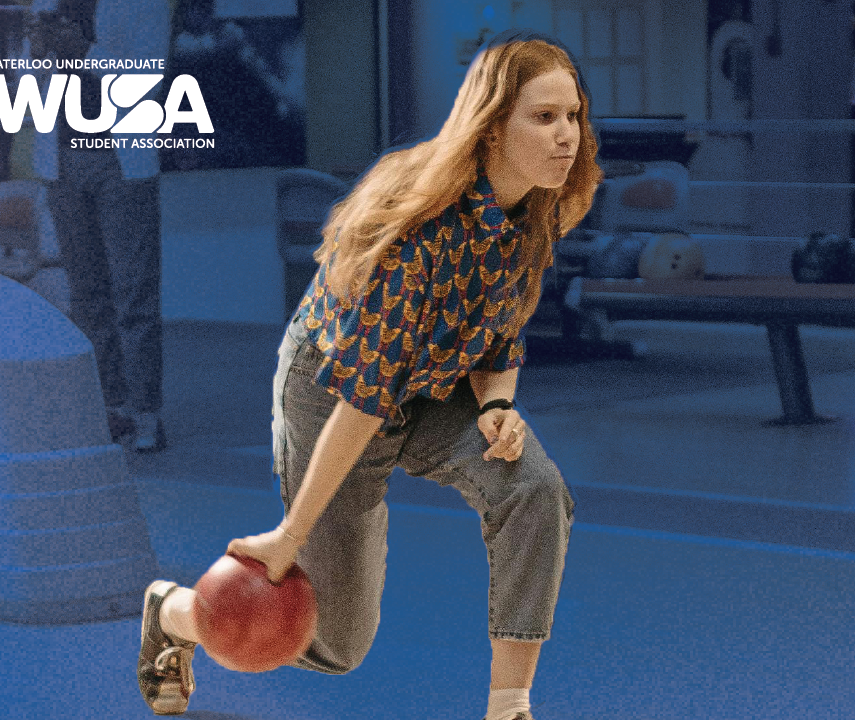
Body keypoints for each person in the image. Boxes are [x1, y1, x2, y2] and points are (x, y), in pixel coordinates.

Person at [136, 33, 601, 720]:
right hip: (333, 389)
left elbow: (500, 335)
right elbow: (363, 400)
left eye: (574, 116)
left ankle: (510, 708)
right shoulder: (420, 229)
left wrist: (497, 407)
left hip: (431, 388)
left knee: (534, 488)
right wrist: (289, 537)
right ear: (494, 128)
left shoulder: (536, 208)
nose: (567, 135)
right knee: (333, 643)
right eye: (544, 117)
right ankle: (172, 614)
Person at [26, 0, 168, 452]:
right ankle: (106, 408)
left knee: (134, 294)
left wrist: (79, 53)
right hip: (61, 161)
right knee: (86, 295)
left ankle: (145, 413)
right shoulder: (46, 4)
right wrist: (35, 56)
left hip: (120, 161)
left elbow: (147, 73)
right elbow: (29, 87)